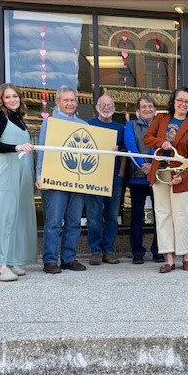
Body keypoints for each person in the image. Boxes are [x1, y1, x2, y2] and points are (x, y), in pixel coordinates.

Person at [143, 87, 188, 273]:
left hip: (179, 176)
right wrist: (161, 142)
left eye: (186, 101)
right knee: (163, 214)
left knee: (182, 216)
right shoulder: (160, 119)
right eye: (179, 100)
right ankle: (168, 258)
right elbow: (147, 139)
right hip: (160, 174)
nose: (182, 104)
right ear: (173, 102)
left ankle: (185, 255)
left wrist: (182, 176)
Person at [0, 83, 37, 281]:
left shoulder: (17, 118)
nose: (13, 100)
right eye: (8, 97)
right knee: (2, 216)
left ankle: (13, 259)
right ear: (1, 99)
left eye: (15, 96)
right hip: (3, 173)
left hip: (20, 174)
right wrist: (16, 147)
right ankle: (0, 264)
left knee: (17, 217)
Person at [35, 85, 87, 274]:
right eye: (66, 100)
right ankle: (49, 260)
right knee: (54, 221)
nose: (70, 103)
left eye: (72, 100)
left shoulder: (85, 125)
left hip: (78, 180)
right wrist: (39, 174)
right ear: (57, 102)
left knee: (74, 222)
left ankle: (68, 259)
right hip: (55, 180)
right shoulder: (50, 123)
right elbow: (42, 149)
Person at [124, 95, 165, 264]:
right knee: (137, 215)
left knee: (160, 215)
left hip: (158, 177)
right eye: (144, 107)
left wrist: (153, 167)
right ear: (138, 111)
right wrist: (144, 166)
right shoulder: (131, 125)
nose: (147, 109)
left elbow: (164, 149)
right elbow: (131, 148)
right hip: (137, 177)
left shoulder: (162, 126)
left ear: (155, 109)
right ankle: (138, 252)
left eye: (150, 106)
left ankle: (158, 250)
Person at [84, 94, 124, 266]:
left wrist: (121, 174)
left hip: (114, 177)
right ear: (97, 107)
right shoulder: (89, 125)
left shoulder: (119, 128)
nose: (106, 108)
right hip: (94, 176)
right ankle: (95, 250)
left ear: (114, 107)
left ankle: (108, 249)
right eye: (103, 104)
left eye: (110, 105)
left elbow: (124, 154)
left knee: (112, 216)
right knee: (93, 216)